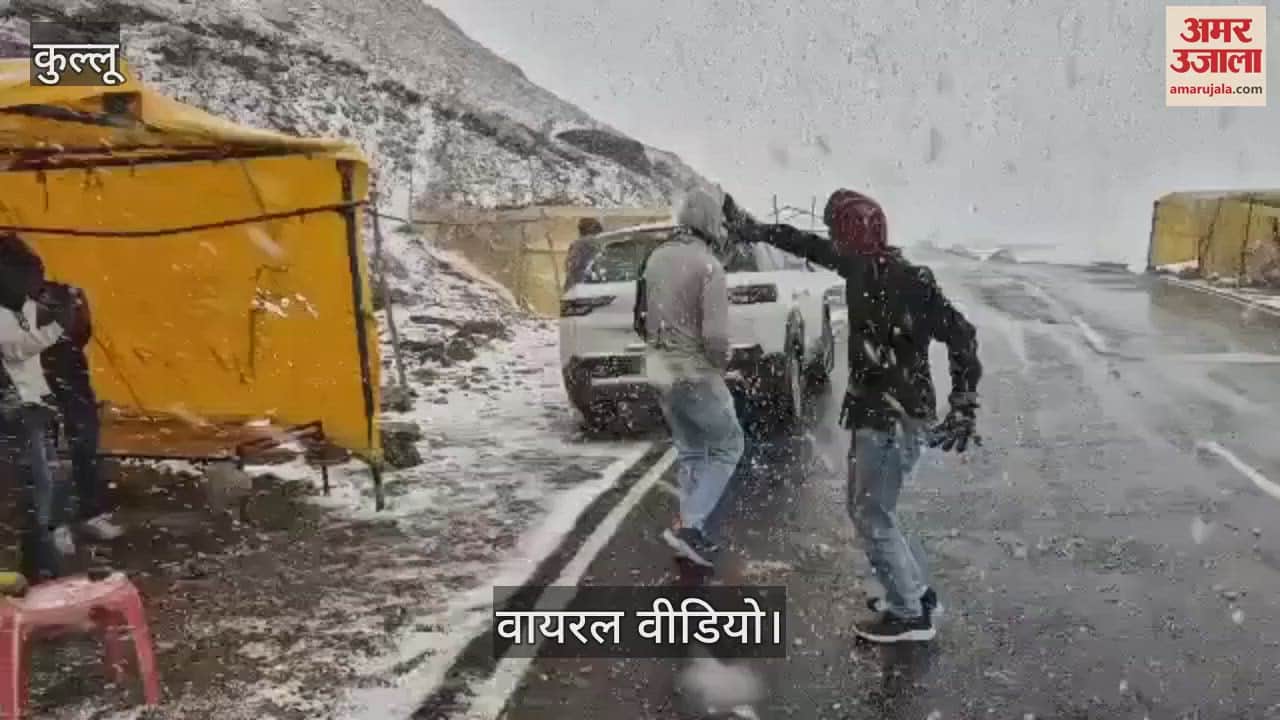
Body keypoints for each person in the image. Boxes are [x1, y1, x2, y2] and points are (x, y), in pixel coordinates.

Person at [724, 189, 982, 643]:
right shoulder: (867, 267)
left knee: (871, 515)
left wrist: (964, 400)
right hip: (882, 414)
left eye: (835, 231)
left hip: (890, 419)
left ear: (849, 232)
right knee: (870, 511)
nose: (830, 240)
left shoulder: (898, 278)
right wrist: (759, 229)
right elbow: (806, 244)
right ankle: (914, 594)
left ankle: (909, 615)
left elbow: (962, 335)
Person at [633, 188, 744, 568]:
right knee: (729, 446)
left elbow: (640, 319)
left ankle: (687, 524)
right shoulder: (708, 265)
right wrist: (721, 364)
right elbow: (715, 336)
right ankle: (691, 527)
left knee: (692, 450)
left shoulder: (656, 257)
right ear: (712, 223)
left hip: (659, 369)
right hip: (693, 370)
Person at [0, 233, 71, 582]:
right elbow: (14, 350)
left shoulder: (24, 306)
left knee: (43, 480)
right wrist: (58, 327)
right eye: (26, 279)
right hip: (14, 411)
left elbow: (31, 360)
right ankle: (35, 557)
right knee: (30, 484)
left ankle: (40, 552)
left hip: (30, 406)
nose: (32, 287)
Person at [39, 279, 122, 545]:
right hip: (41, 376)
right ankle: (53, 524)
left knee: (80, 444)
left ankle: (83, 514)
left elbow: (82, 330)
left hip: (64, 371)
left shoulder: (62, 293)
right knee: (47, 453)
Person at [564, 216, 604, 290]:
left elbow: (571, 265)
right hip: (588, 285)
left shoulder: (579, 243)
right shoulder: (598, 242)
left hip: (580, 286)